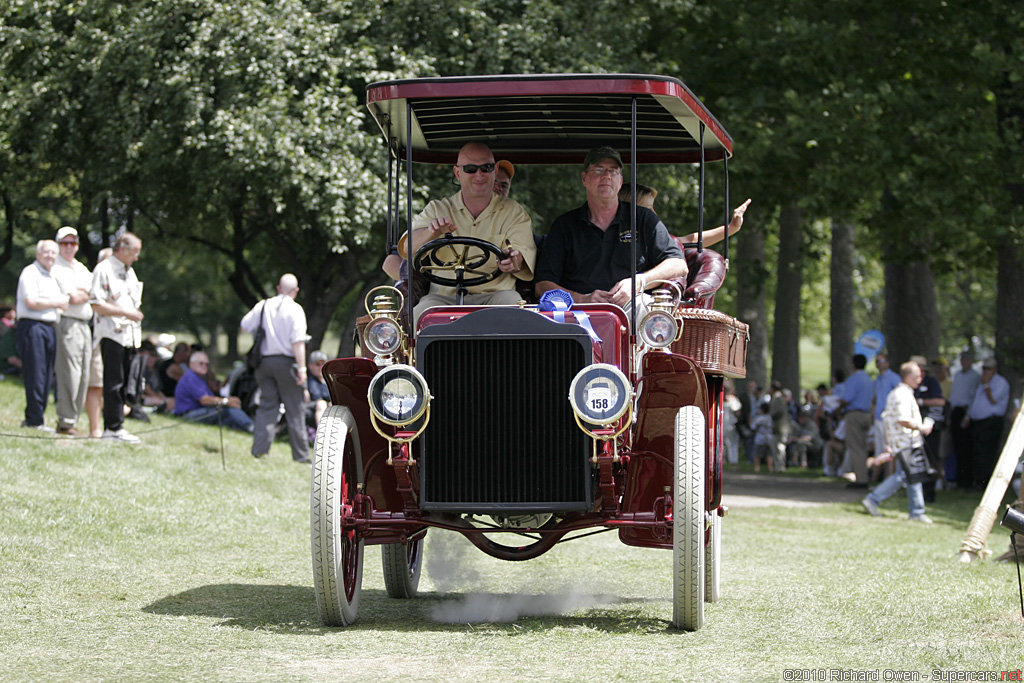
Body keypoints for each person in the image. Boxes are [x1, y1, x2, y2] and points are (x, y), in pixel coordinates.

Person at [409, 142, 536, 323]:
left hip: (495, 297)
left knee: (513, 304)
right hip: (444, 298)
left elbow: (519, 256)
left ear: (495, 169)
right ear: (458, 173)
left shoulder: (513, 211)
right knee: (420, 314)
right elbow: (407, 248)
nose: (479, 174)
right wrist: (431, 232)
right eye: (470, 169)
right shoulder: (437, 209)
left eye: (486, 168)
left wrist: (513, 259)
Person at [240, 273, 311, 463]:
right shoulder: (296, 310)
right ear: (296, 291)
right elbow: (298, 342)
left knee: (266, 406)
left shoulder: (264, 305)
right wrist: (302, 369)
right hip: (287, 363)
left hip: (264, 363)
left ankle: (259, 451)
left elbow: (245, 326)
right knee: (295, 408)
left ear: (278, 288)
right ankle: (301, 456)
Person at [861, 361, 935, 524]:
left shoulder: (898, 393)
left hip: (902, 441)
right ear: (908, 376)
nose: (920, 378)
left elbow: (888, 418)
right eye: (917, 375)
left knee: (910, 476)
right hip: (905, 441)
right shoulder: (902, 394)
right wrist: (921, 427)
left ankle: (916, 510)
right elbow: (902, 419)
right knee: (906, 475)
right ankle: (874, 499)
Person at [90, 232, 144, 443]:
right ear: (122, 249)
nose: (136, 258)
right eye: (134, 253)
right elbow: (95, 303)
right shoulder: (104, 269)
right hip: (111, 334)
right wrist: (125, 313)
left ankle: (117, 426)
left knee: (124, 382)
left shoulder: (130, 272)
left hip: (130, 336)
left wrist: (133, 313)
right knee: (113, 381)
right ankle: (111, 428)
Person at [16, 240, 68, 430]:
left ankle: (37, 417)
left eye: (54, 253)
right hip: (33, 326)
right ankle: (33, 420)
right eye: (46, 252)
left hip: (49, 327)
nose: (50, 256)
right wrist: (55, 302)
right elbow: (30, 301)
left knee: (46, 375)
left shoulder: (52, 275)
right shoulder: (30, 272)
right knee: (36, 373)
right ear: (38, 254)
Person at [51, 227, 93, 436]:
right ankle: (66, 420)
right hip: (68, 322)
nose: (69, 247)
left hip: (85, 324)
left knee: (84, 375)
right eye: (64, 243)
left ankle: (72, 421)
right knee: (71, 374)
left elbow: (91, 294)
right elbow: (75, 298)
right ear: (58, 244)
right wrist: (83, 293)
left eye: (73, 243)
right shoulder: (55, 267)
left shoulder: (81, 268)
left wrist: (83, 293)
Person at [617, 183, 751, 247]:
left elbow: (690, 240)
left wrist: (732, 227)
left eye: (653, 208)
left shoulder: (654, 238)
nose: (653, 213)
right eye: (647, 208)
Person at [173, 350, 254, 432]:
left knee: (229, 418)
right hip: (188, 415)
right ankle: (252, 427)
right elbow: (204, 400)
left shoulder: (199, 378)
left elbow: (210, 397)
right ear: (191, 364)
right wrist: (226, 401)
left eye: (207, 364)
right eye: (201, 363)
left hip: (199, 412)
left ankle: (247, 429)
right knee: (228, 410)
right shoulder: (191, 377)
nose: (204, 366)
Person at [962, 358, 1010, 490]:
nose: (985, 371)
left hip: (991, 422)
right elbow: (974, 401)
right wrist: (968, 416)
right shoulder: (980, 382)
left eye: (988, 369)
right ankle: (976, 481)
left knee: (986, 453)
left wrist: (986, 385)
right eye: (984, 368)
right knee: (976, 452)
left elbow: (994, 400)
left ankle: (984, 483)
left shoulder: (1001, 383)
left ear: (994, 370)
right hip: (977, 422)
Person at [909, 354, 945, 502]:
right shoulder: (910, 385)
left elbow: (940, 401)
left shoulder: (931, 383)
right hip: (914, 428)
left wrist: (921, 402)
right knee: (915, 460)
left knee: (931, 459)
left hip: (930, 427)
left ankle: (929, 493)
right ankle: (917, 493)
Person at [85, 247, 112, 438]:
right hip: (94, 338)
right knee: (95, 383)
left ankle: (111, 426)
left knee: (111, 385)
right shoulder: (91, 280)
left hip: (116, 340)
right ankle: (95, 429)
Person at [839, 354, 873, 487]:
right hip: (866, 415)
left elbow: (847, 398)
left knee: (855, 447)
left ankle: (861, 479)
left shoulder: (853, 379)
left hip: (855, 414)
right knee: (863, 447)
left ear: (853, 364)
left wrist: (838, 406)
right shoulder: (869, 380)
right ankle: (863, 475)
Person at [948, 351, 980, 489]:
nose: (963, 362)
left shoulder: (974, 377)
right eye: (962, 359)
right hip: (955, 411)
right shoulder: (958, 375)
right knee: (957, 447)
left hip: (965, 412)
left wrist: (967, 416)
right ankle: (959, 479)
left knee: (965, 447)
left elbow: (973, 398)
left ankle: (967, 480)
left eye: (966, 360)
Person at [870, 353, 901, 480]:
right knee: (880, 449)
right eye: (877, 361)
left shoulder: (894, 378)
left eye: (881, 360)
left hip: (889, 419)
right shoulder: (877, 379)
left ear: (887, 363)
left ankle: (890, 478)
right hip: (878, 417)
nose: (878, 363)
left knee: (889, 449)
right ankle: (878, 479)